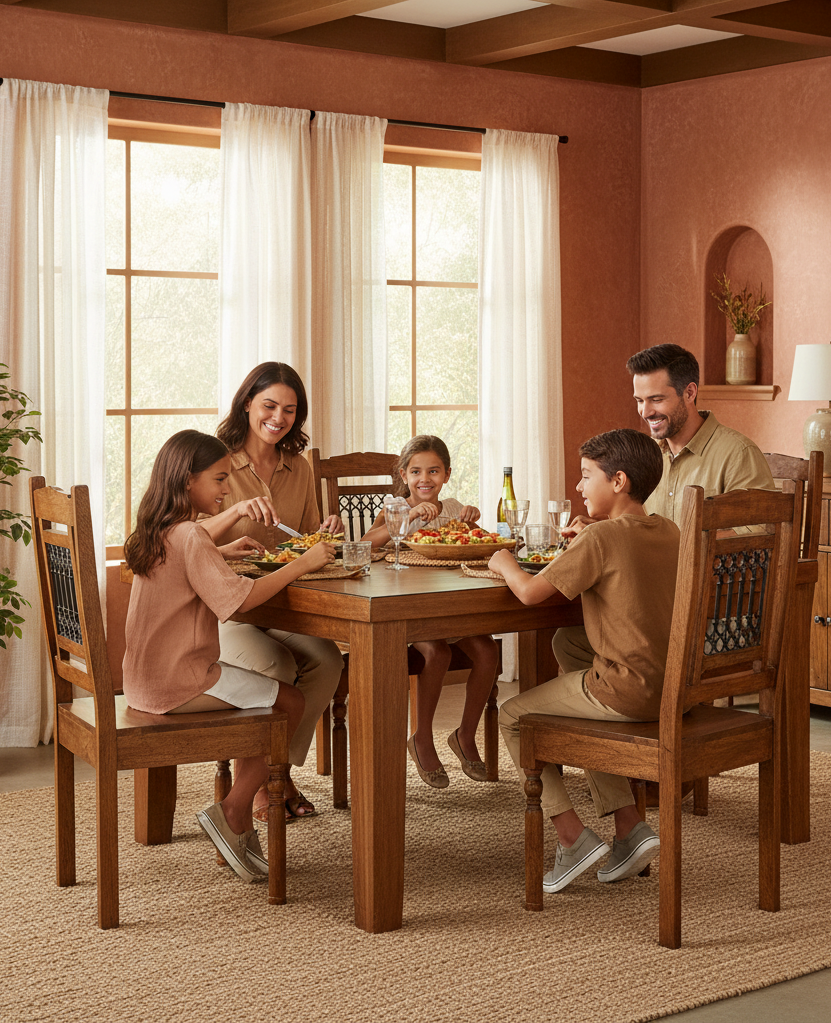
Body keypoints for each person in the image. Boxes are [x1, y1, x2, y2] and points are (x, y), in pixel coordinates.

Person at [122, 430, 336, 882]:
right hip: (180, 681)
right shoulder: (192, 535)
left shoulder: (163, 530)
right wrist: (304, 563)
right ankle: (233, 811)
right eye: (219, 480)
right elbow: (239, 603)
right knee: (290, 701)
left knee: (276, 694)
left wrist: (219, 552)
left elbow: (183, 565)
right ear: (187, 480)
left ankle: (237, 808)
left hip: (143, 678)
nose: (225, 489)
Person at [488, 429, 680, 892]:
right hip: (673, 686)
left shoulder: (600, 540)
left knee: (514, 715)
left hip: (628, 691)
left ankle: (572, 839)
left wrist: (504, 563)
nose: (578, 487)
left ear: (618, 481)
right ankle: (629, 827)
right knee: (569, 645)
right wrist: (592, 536)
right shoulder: (667, 528)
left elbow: (532, 593)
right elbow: (620, 551)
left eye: (586, 476)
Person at [554, 343, 775, 681]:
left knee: (582, 633)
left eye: (656, 400)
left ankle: (649, 712)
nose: (645, 412)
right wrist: (602, 528)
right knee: (568, 640)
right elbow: (639, 528)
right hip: (656, 607)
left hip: (711, 614)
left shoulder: (737, 453)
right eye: (639, 401)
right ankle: (634, 716)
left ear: (690, 392)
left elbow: (759, 540)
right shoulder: (647, 458)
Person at [204, 361, 346, 824]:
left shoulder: (298, 467)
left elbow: (303, 539)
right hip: (224, 610)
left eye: (289, 409)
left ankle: (273, 773)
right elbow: (177, 538)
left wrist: (323, 532)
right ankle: (268, 781)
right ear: (247, 403)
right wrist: (234, 514)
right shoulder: (215, 462)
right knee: (276, 665)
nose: (278, 417)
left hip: (281, 605)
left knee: (327, 660)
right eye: (269, 405)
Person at [363, 435, 499, 789]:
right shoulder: (395, 508)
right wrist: (406, 516)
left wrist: (471, 521)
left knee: (488, 651)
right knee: (437, 652)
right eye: (417, 471)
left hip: (450, 608)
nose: (426, 479)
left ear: (447, 474)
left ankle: (465, 735)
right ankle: (421, 737)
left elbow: (475, 544)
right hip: (407, 610)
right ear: (404, 475)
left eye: (434, 471)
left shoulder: (451, 507)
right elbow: (364, 543)